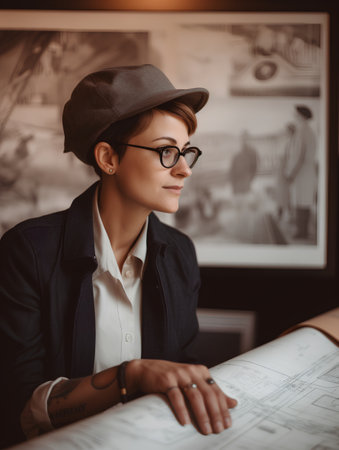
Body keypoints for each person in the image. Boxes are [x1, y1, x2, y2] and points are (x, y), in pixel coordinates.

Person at [0, 64, 237, 448]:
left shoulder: (180, 255)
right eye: (165, 152)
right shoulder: (27, 251)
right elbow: (22, 405)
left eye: (186, 152)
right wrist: (130, 377)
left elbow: (182, 370)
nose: (183, 170)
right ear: (108, 158)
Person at [283, 105, 317, 239]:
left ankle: (301, 232)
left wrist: (291, 174)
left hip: (301, 173)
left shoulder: (302, 132)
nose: (294, 116)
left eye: (296, 115)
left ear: (302, 116)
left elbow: (299, 156)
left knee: (301, 203)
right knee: (304, 202)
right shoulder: (308, 131)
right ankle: (303, 231)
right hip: (306, 173)